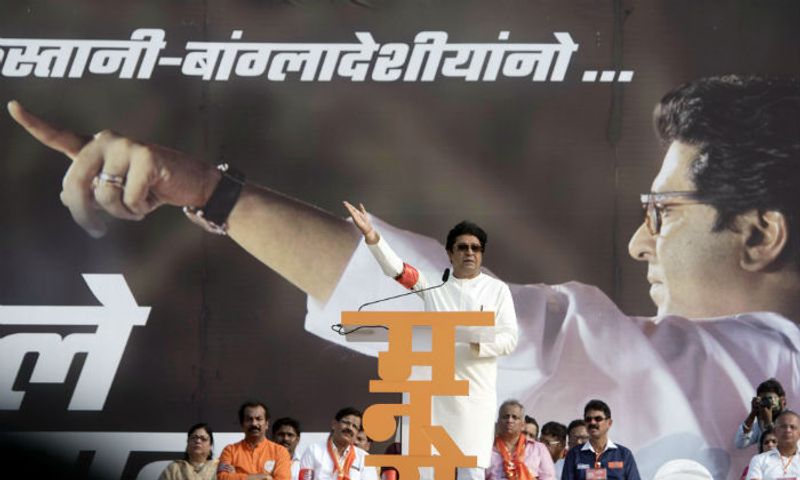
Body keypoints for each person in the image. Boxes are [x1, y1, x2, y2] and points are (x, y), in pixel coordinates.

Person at [8, 74, 800, 479]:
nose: (638, 243)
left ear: (762, 234)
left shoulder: (730, 368)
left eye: (663, 211)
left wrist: (209, 193)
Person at [343, 201, 519, 480]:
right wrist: (371, 236)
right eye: (462, 247)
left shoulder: (497, 290)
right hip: (432, 397)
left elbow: (510, 339)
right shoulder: (434, 286)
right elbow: (398, 270)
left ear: (482, 254)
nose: (469, 253)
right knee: (427, 471)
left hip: (474, 396)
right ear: (450, 253)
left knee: (470, 471)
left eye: (475, 248)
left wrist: (477, 342)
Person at [562, 400, 640, 480]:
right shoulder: (574, 454)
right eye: (588, 419)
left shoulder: (624, 454)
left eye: (598, 419)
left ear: (609, 423)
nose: (592, 422)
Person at [217, 401, 291, 480]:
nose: (254, 424)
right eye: (249, 419)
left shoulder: (280, 452)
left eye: (259, 419)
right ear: (242, 424)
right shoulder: (230, 450)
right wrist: (264, 477)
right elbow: (222, 477)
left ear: (266, 424)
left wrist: (237, 476)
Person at [299, 407, 377, 480]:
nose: (350, 428)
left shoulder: (365, 458)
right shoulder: (313, 450)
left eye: (355, 426)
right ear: (334, 424)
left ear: (356, 433)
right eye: (346, 423)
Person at [486, 400, 555, 480]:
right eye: (505, 417)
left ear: (523, 424)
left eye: (514, 417)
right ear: (498, 421)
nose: (509, 420)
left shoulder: (539, 448)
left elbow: (549, 477)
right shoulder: (487, 449)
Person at [745, 411, 800, 479]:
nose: (788, 430)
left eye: (792, 427)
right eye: (783, 426)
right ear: (775, 432)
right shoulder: (759, 460)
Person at [736, 379, 788, 449]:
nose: (767, 403)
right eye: (764, 399)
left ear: (782, 401)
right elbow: (740, 444)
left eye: (770, 398)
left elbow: (784, 448)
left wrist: (769, 424)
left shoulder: (793, 422)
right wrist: (752, 414)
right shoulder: (759, 425)